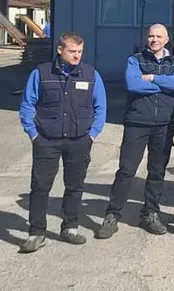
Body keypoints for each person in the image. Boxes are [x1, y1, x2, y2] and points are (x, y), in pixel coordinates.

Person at [18, 32, 107, 253]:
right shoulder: (41, 73)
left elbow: (100, 107)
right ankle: (37, 232)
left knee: (74, 186)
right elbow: (27, 104)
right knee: (40, 187)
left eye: (80, 52)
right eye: (72, 51)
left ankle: (70, 227)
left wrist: (92, 135)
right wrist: (33, 134)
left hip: (79, 140)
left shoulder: (91, 75)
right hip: (46, 140)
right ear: (60, 50)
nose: (77, 55)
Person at [97, 25, 174, 240]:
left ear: (167, 40)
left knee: (157, 171)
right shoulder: (135, 60)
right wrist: (164, 84)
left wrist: (152, 78)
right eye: (151, 36)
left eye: (159, 36)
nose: (154, 39)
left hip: (164, 124)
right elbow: (133, 84)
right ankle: (112, 214)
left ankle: (150, 213)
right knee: (126, 170)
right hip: (137, 122)